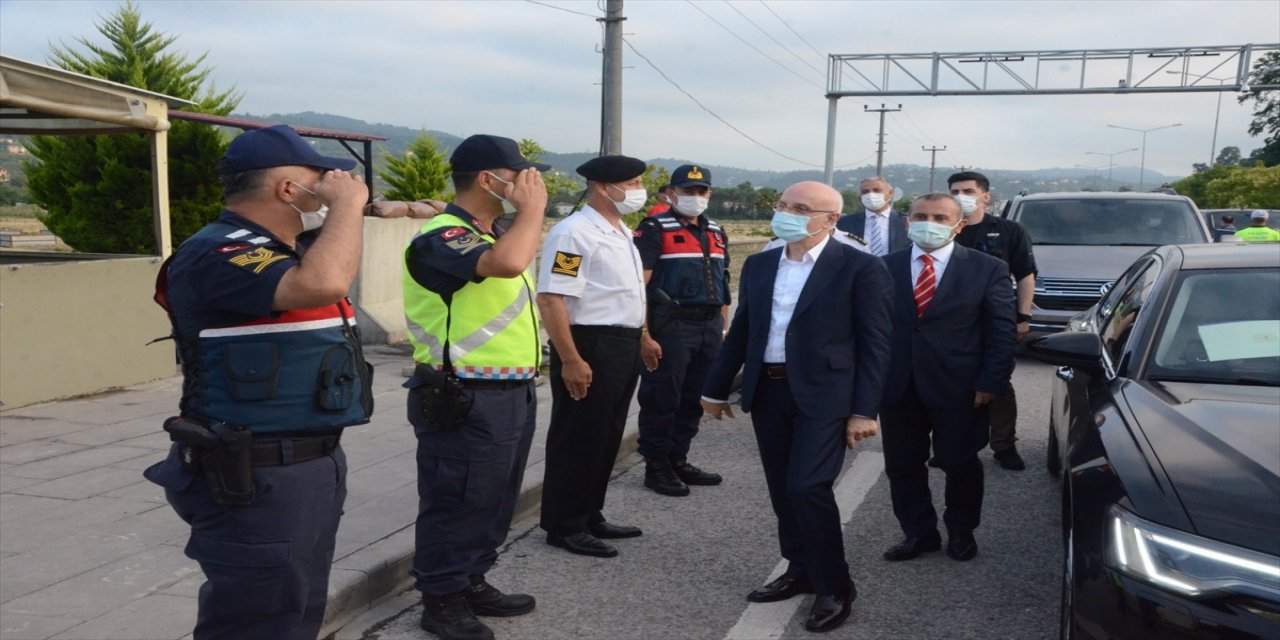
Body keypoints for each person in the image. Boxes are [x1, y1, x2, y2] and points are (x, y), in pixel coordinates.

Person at [144, 124, 372, 640]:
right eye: (321, 177)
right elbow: (323, 283)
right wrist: (346, 207)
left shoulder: (280, 247)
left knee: (294, 612)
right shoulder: (219, 250)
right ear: (289, 189)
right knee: (257, 621)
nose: (333, 183)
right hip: (257, 473)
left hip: (306, 464)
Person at [701, 181, 893, 633]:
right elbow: (743, 330)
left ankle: (835, 584)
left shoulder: (859, 268)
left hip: (826, 395)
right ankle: (800, 567)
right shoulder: (762, 264)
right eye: (783, 205)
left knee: (808, 487)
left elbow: (876, 345)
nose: (787, 213)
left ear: (830, 220)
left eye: (801, 208)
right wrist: (713, 390)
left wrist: (864, 410)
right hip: (769, 391)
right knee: (783, 489)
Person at [402, 134, 549, 640]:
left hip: (509, 392)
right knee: (457, 500)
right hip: (464, 395)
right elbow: (507, 266)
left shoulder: (489, 234)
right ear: (490, 180)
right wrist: (533, 211)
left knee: (493, 499)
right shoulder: (442, 236)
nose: (533, 184)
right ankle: (441, 599)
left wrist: (522, 217)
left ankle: (471, 580)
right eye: (523, 176)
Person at [879, 193, 1016, 564]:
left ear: (959, 225)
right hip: (898, 386)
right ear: (907, 222)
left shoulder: (987, 269)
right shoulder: (883, 267)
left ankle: (961, 531)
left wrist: (992, 382)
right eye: (921, 215)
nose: (930, 222)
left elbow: (1001, 331)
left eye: (941, 217)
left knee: (960, 462)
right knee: (902, 466)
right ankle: (918, 533)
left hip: (961, 387)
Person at [537, 154, 649, 558]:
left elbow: (629, 294)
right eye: (632, 182)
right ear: (603, 187)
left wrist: (644, 336)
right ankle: (564, 525)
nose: (638, 190)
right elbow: (552, 298)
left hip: (622, 343)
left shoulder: (619, 230)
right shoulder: (574, 233)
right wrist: (570, 358)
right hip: (589, 343)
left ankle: (589, 513)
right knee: (579, 435)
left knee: (606, 433)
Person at [632, 164, 731, 496]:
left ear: (710, 194)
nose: (696, 197)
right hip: (671, 325)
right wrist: (644, 334)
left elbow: (723, 281)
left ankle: (678, 459)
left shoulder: (717, 231)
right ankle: (656, 466)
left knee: (694, 398)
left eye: (702, 191)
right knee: (663, 397)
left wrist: (723, 326)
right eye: (688, 191)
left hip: (709, 325)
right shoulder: (654, 229)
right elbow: (638, 286)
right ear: (670, 194)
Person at [949, 171, 1037, 471]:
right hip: (952, 324)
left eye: (968, 191)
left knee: (998, 382)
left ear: (985, 196)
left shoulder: (1009, 230)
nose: (961, 196)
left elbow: (1025, 275)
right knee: (948, 383)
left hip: (994, 321)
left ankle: (1003, 445)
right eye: (955, 191)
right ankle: (952, 442)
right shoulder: (946, 228)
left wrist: (1023, 317)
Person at [836, 176, 909, 257]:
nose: (870, 194)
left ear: (891, 193)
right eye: (865, 191)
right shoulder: (845, 222)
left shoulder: (906, 221)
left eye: (877, 190)